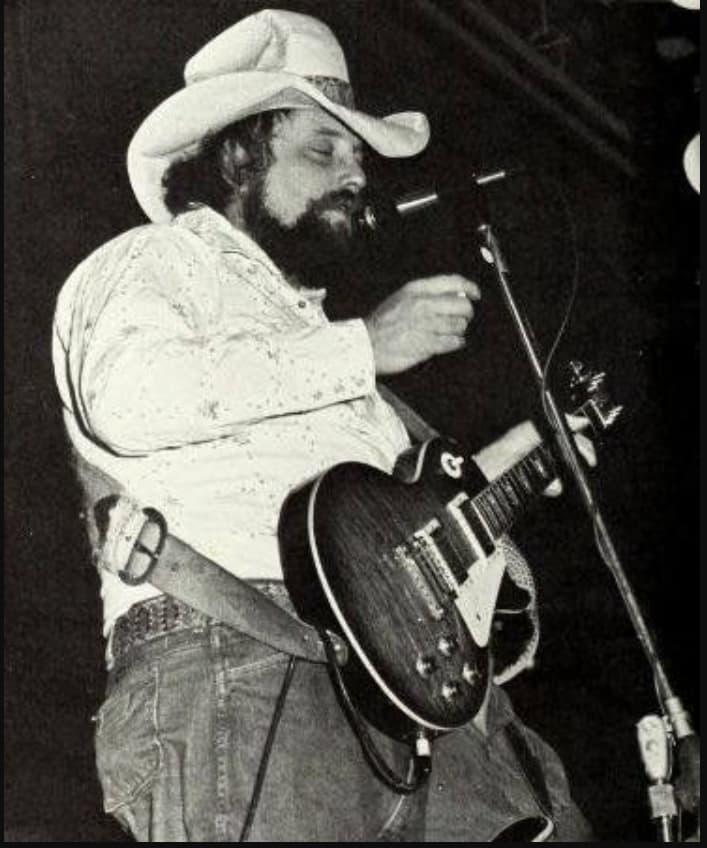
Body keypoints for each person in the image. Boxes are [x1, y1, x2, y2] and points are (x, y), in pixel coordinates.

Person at [52, 8, 596, 842]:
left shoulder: (327, 352)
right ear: (237, 158)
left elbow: (416, 536)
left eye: (358, 158)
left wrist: (528, 459)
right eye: (322, 150)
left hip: (410, 686)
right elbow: (130, 400)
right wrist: (364, 346)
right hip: (241, 661)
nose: (354, 175)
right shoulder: (154, 262)